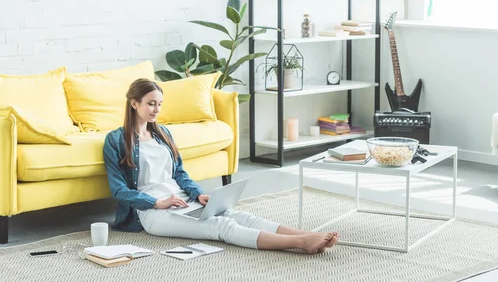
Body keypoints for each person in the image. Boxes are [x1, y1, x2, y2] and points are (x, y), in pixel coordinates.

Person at [103, 78, 339, 254]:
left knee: (235, 214)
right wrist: (158, 202)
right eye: (151, 104)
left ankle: (307, 234)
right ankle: (300, 243)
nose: (156, 110)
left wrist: (198, 194)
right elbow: (119, 191)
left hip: (183, 199)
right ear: (134, 103)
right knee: (221, 226)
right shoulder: (115, 141)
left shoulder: (163, 134)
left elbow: (179, 173)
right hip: (153, 212)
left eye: (160, 104)